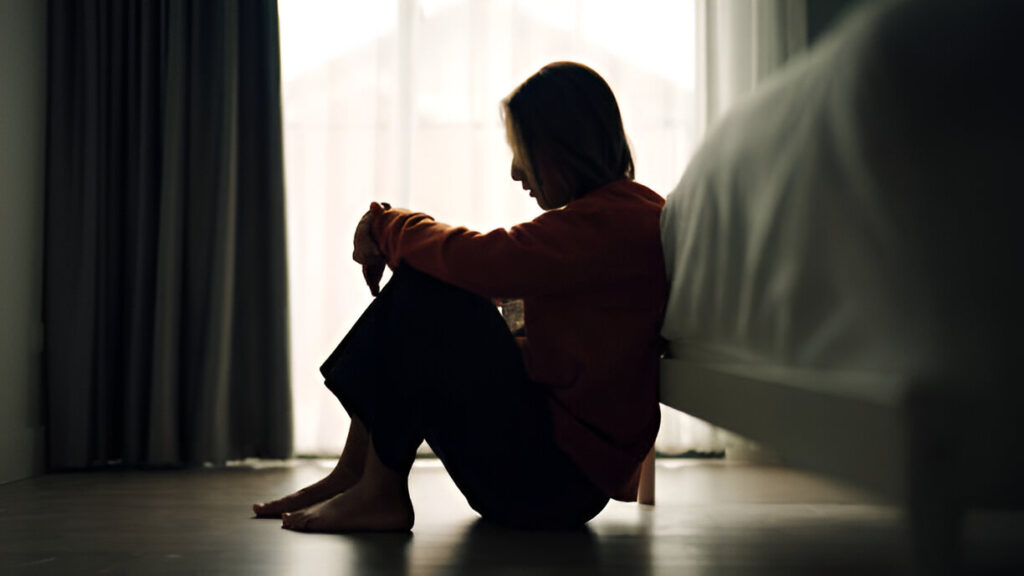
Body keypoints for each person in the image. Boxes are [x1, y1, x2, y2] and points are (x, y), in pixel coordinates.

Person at [253, 61, 668, 532]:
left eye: (522, 152)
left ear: (560, 146)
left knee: (429, 289)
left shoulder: (612, 224)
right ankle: (357, 475)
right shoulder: (612, 217)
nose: (516, 172)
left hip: (554, 481)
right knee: (437, 287)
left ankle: (379, 491)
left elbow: (480, 259)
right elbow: (529, 317)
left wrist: (385, 224)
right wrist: (489, 313)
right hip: (554, 467)